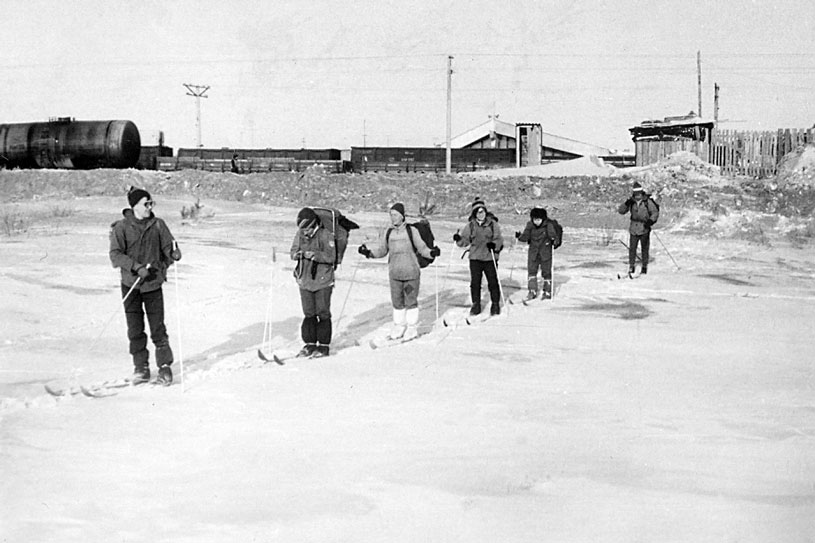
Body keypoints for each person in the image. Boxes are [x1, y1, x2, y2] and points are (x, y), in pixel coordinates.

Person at [109, 187, 182, 386]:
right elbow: (115, 255)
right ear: (134, 207)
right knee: (135, 329)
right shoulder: (121, 228)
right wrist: (135, 266)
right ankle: (141, 367)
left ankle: (165, 367)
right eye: (145, 204)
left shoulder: (158, 225)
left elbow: (169, 246)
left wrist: (174, 253)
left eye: (151, 203)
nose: (150, 207)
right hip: (130, 285)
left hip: (152, 284)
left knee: (157, 327)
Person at [358, 203, 440, 341]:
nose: (392, 218)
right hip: (395, 273)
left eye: (395, 215)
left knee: (410, 301)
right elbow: (382, 250)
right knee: (397, 301)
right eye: (391, 215)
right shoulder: (388, 232)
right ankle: (399, 326)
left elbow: (422, 248)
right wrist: (368, 253)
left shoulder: (411, 231)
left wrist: (432, 253)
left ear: (402, 216)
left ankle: (412, 328)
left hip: (411, 273)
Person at [290, 207, 336, 358]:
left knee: (322, 312)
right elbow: (293, 251)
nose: (305, 233)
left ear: (314, 224)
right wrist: (297, 254)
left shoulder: (325, 235)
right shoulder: (300, 233)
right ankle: (309, 344)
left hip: (322, 280)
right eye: (302, 230)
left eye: (307, 229)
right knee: (309, 313)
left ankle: (323, 346)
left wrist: (315, 255)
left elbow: (331, 257)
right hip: (305, 280)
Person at [454, 198, 505, 316]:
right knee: (475, 283)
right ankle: (476, 304)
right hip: (475, 257)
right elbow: (465, 240)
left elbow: (499, 239)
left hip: (489, 257)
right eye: (478, 212)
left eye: (483, 211)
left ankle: (495, 304)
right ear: (474, 213)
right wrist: (459, 239)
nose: (481, 214)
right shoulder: (470, 226)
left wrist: (495, 245)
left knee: (492, 282)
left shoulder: (493, 224)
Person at [617, 181, 660, 274]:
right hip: (633, 228)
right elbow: (621, 211)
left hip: (644, 228)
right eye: (636, 194)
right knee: (632, 248)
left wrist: (650, 221)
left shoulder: (647, 202)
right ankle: (631, 266)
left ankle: (644, 266)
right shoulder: (631, 202)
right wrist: (626, 203)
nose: (637, 196)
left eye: (639, 194)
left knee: (645, 248)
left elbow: (655, 212)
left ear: (642, 193)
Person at [515, 207, 557, 300]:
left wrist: (554, 240)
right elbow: (525, 236)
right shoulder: (530, 225)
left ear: (543, 219)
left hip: (545, 252)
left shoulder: (548, 225)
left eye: (538, 219)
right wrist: (520, 237)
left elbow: (553, 236)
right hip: (533, 252)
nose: (536, 222)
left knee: (546, 271)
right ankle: (532, 291)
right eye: (535, 219)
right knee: (532, 271)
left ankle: (547, 291)